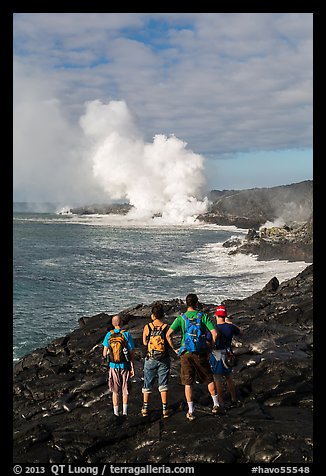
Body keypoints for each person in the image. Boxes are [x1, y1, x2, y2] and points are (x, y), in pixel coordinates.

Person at [166, 293, 221, 421]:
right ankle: (216, 405)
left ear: (186, 304)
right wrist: (210, 346)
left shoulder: (181, 318)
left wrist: (175, 349)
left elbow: (169, 334)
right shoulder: (203, 316)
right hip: (200, 352)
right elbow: (215, 333)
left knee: (188, 382)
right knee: (209, 378)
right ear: (197, 303)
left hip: (185, 353)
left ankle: (191, 411)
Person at [141, 302, 172, 418]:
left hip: (150, 358)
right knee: (163, 384)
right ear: (163, 315)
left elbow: (144, 342)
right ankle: (165, 408)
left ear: (152, 315)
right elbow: (169, 341)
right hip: (163, 358)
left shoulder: (147, 327)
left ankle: (145, 408)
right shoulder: (166, 327)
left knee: (147, 383)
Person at [209, 305, 242, 408]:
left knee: (217, 379)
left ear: (216, 315)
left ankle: (221, 402)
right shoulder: (230, 327)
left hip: (216, 354)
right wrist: (230, 323)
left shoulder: (213, 328)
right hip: (228, 353)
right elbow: (240, 332)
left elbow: (208, 340)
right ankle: (234, 398)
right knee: (229, 377)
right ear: (225, 315)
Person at [102, 314, 135, 417]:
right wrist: (132, 366)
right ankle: (125, 412)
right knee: (125, 389)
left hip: (113, 365)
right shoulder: (126, 334)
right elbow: (131, 352)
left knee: (115, 391)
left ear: (113, 324)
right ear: (122, 323)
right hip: (124, 365)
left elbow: (104, 353)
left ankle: (116, 413)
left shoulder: (109, 335)